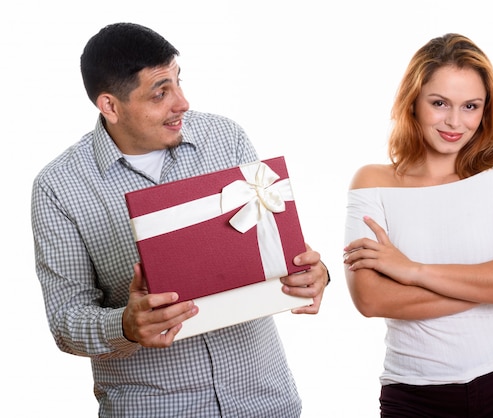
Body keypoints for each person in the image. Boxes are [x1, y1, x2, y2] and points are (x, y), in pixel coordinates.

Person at [31, 22, 330, 418]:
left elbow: (272, 248)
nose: (182, 103)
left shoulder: (225, 138)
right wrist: (124, 325)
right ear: (110, 106)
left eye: (178, 82)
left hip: (265, 401)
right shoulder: (58, 187)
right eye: (161, 92)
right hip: (155, 408)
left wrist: (314, 273)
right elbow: (66, 320)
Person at [343, 33, 493, 417]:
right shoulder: (371, 182)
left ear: (485, 110)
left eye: (470, 106)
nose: (455, 122)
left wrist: (412, 271)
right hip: (414, 395)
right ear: (413, 102)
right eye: (439, 103)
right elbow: (372, 299)